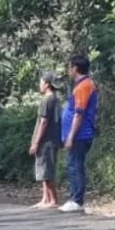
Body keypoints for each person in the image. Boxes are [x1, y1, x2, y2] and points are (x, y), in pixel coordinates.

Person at [60, 53, 99, 213]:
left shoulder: (83, 86)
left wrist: (70, 136)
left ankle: (77, 200)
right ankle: (74, 197)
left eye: (69, 67)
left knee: (75, 166)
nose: (68, 70)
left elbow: (79, 113)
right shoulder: (81, 85)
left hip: (80, 134)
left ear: (75, 68)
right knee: (73, 165)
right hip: (78, 134)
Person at [29, 71, 62, 209]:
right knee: (43, 169)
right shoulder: (54, 99)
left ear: (47, 84)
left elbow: (44, 122)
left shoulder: (48, 100)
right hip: (50, 139)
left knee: (47, 169)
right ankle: (45, 198)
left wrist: (36, 142)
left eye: (41, 82)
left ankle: (53, 200)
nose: (40, 85)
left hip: (47, 140)